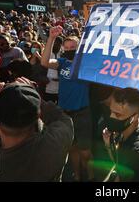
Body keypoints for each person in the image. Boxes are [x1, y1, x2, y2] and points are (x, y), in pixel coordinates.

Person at [42, 27, 93, 182]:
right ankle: (77, 176)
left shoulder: (86, 63)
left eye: (74, 47)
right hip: (65, 113)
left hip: (82, 112)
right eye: (68, 47)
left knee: (85, 152)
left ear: (79, 48)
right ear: (63, 48)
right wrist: (51, 38)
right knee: (72, 149)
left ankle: (90, 177)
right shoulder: (62, 62)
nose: (70, 50)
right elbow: (44, 62)